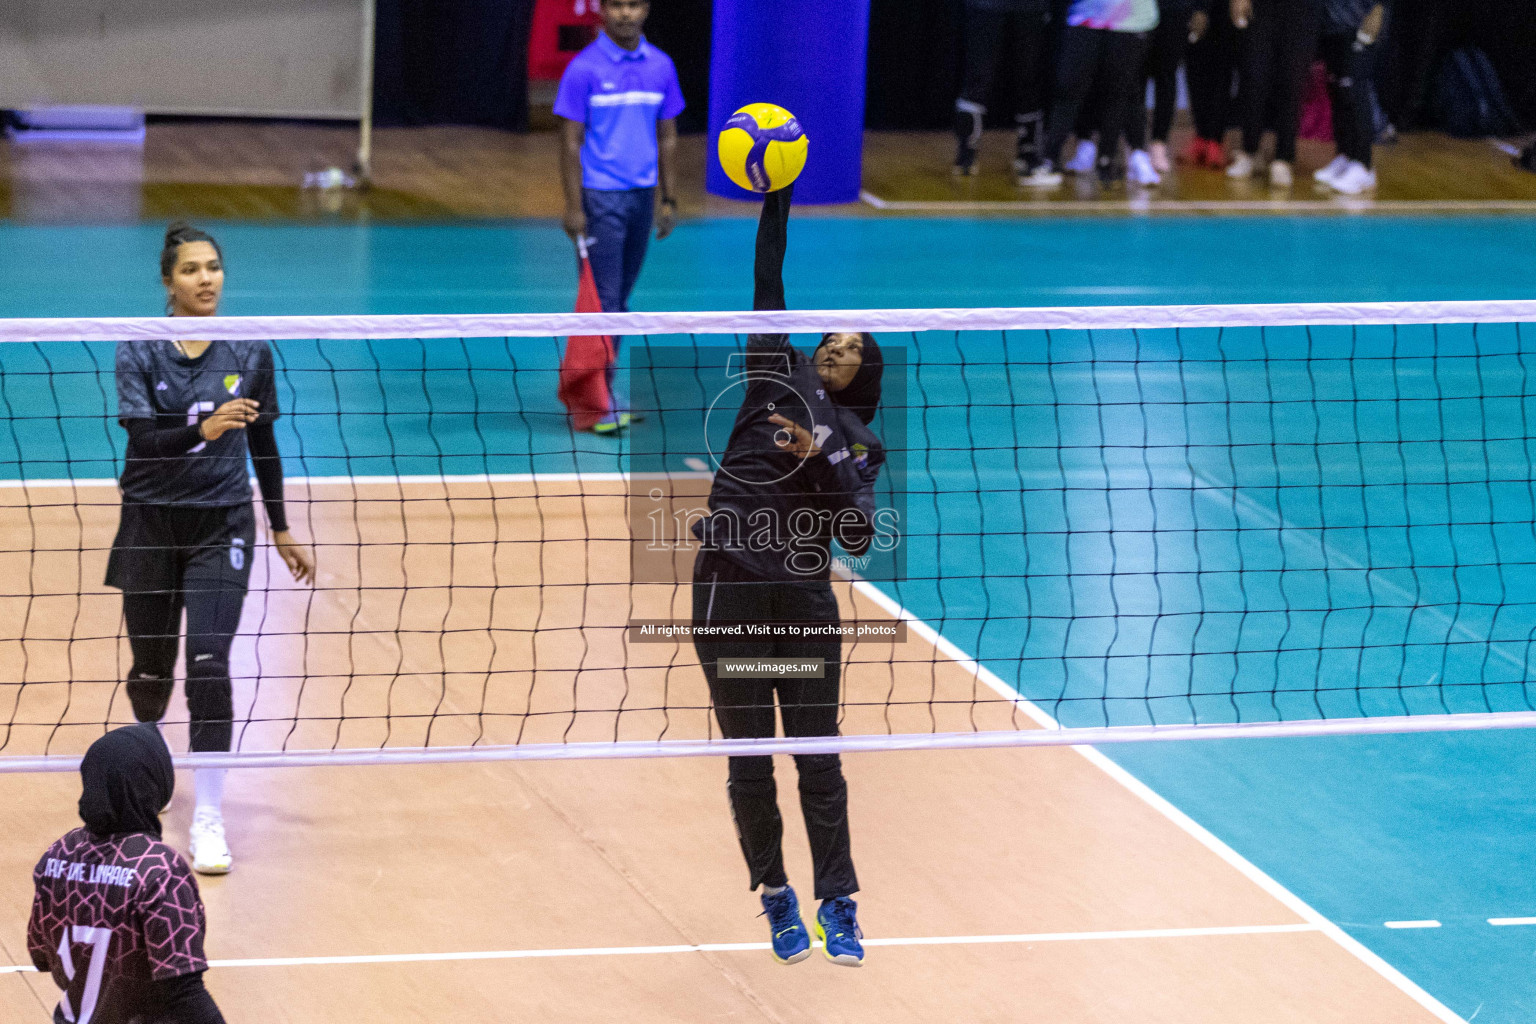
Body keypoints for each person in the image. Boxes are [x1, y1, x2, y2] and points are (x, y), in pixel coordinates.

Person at [690, 185, 884, 967]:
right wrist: (779, 195)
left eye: (851, 348)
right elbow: (768, 281)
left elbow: (860, 534)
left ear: (864, 374)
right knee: (749, 756)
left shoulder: (863, 446)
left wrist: (822, 457)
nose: (833, 347)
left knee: (817, 755)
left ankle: (839, 901)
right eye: (830, 339)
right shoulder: (773, 373)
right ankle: (775, 895)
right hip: (730, 586)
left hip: (802, 599)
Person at [108, 222, 315, 875]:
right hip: (149, 521)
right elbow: (143, 440)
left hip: (221, 525)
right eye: (192, 269)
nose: (206, 279)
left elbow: (265, 446)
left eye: (214, 268)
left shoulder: (248, 348)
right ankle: (147, 787)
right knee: (149, 672)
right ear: (168, 282)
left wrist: (280, 527)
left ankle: (208, 817)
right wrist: (204, 428)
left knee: (208, 666)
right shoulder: (140, 350)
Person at [28, 724, 227, 1024]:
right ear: (156, 784)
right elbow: (184, 992)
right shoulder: (159, 870)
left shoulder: (57, 855)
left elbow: (40, 954)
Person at [554, 0, 683, 434]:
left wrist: (669, 198)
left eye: (634, 4)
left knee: (619, 302)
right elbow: (569, 141)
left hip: (642, 198)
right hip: (600, 198)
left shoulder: (662, 66)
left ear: (646, 9)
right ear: (603, 10)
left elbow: (667, 136)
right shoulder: (583, 69)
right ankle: (594, 401)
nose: (625, 14)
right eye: (617, 5)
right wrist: (574, 206)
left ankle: (603, 388)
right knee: (603, 300)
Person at [1019, 0, 1160, 187]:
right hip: (1083, 14)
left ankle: (1106, 161)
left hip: (1130, 19)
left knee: (1117, 91)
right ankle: (1049, 158)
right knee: (1068, 87)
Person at [951, 0, 1053, 181]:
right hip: (985, 7)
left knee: (1029, 77)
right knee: (978, 77)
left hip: (1030, 8)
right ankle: (966, 151)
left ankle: (1028, 152)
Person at [1226, 0, 1322, 186]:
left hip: (1303, 10)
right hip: (1261, 8)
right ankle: (1250, 151)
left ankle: (1283, 159)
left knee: (1292, 81)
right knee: (1253, 77)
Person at [1126, 0, 1212, 180]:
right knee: (1135, 77)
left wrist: (1200, 7)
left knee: (1166, 77)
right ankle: (1136, 147)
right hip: (1136, 9)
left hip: (1174, 9)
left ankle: (1159, 143)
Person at [1311, 0, 1387, 193]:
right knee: (1338, 91)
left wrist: (1379, 8)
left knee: (1354, 89)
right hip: (1333, 24)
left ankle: (1363, 165)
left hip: (1362, 18)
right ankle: (1346, 156)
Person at [1181, 0, 1239, 167]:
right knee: (1194, 71)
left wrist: (1203, 7)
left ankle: (1215, 140)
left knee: (1221, 73)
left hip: (1223, 11)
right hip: (1189, 7)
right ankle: (1201, 136)